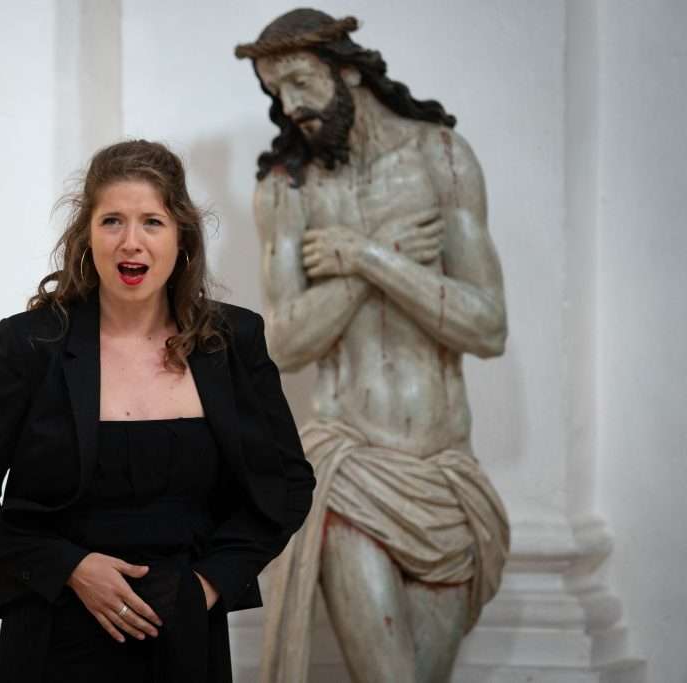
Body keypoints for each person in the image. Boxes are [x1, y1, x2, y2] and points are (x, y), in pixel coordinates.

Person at [0, 139, 316, 682]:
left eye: (152, 222)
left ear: (181, 236)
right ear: (86, 235)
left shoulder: (232, 341)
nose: (130, 242)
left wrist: (207, 585)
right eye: (112, 221)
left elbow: (288, 485)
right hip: (51, 634)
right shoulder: (31, 344)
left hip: (183, 637)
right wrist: (71, 568)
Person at [233, 10, 511, 683]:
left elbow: (488, 326)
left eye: (300, 81)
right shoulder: (286, 189)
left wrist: (365, 257)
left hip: (444, 476)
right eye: (275, 90)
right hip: (350, 467)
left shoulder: (442, 158)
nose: (290, 105)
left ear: (350, 69)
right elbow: (284, 343)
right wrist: (375, 261)